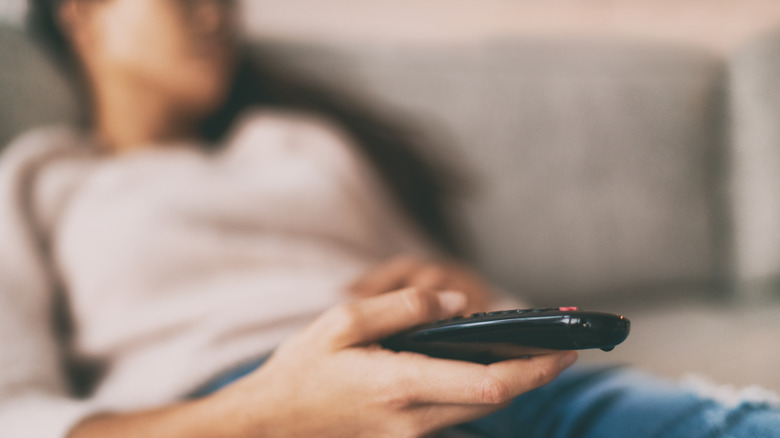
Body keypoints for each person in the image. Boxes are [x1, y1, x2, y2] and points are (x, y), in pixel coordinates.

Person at [0, 0, 778, 437]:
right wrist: (264, 412)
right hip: (248, 411)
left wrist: (461, 290)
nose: (218, 12)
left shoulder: (303, 141)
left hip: (479, 383)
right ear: (83, 14)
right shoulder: (39, 179)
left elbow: (474, 295)